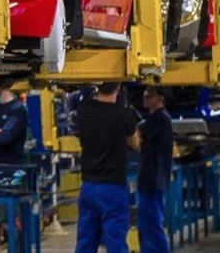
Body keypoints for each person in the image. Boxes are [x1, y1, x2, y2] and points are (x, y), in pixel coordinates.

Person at [74, 82, 140, 253]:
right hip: (112, 188)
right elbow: (136, 143)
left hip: (88, 186)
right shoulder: (123, 114)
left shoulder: (84, 109)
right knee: (116, 242)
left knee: (85, 241)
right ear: (118, 88)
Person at [136, 86, 173, 253]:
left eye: (150, 95)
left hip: (153, 181)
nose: (146, 98)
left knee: (152, 225)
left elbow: (138, 132)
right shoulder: (153, 118)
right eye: (145, 95)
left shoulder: (161, 118)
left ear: (160, 98)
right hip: (148, 179)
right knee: (145, 226)